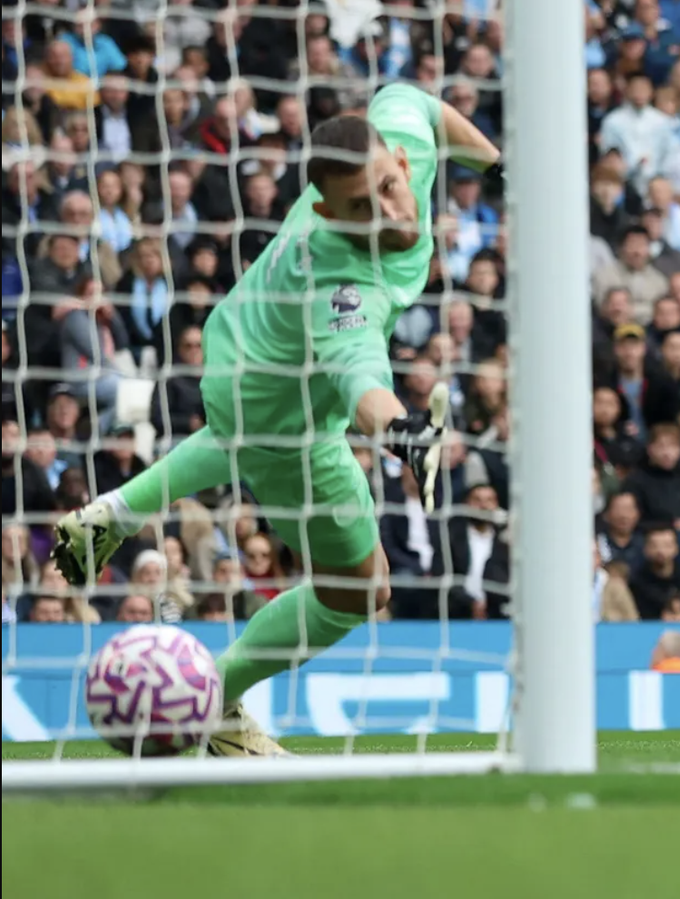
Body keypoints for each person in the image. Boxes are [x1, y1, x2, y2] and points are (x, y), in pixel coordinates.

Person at [52, 84, 500, 756]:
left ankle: (113, 512)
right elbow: (358, 376)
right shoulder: (345, 281)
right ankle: (211, 698)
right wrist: (402, 430)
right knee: (362, 589)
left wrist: (494, 165)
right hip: (284, 399)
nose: (386, 212)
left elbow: (411, 99)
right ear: (324, 210)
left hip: (240, 339)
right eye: (359, 208)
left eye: (387, 188)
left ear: (404, 166)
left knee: (238, 440)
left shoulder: (400, 144)